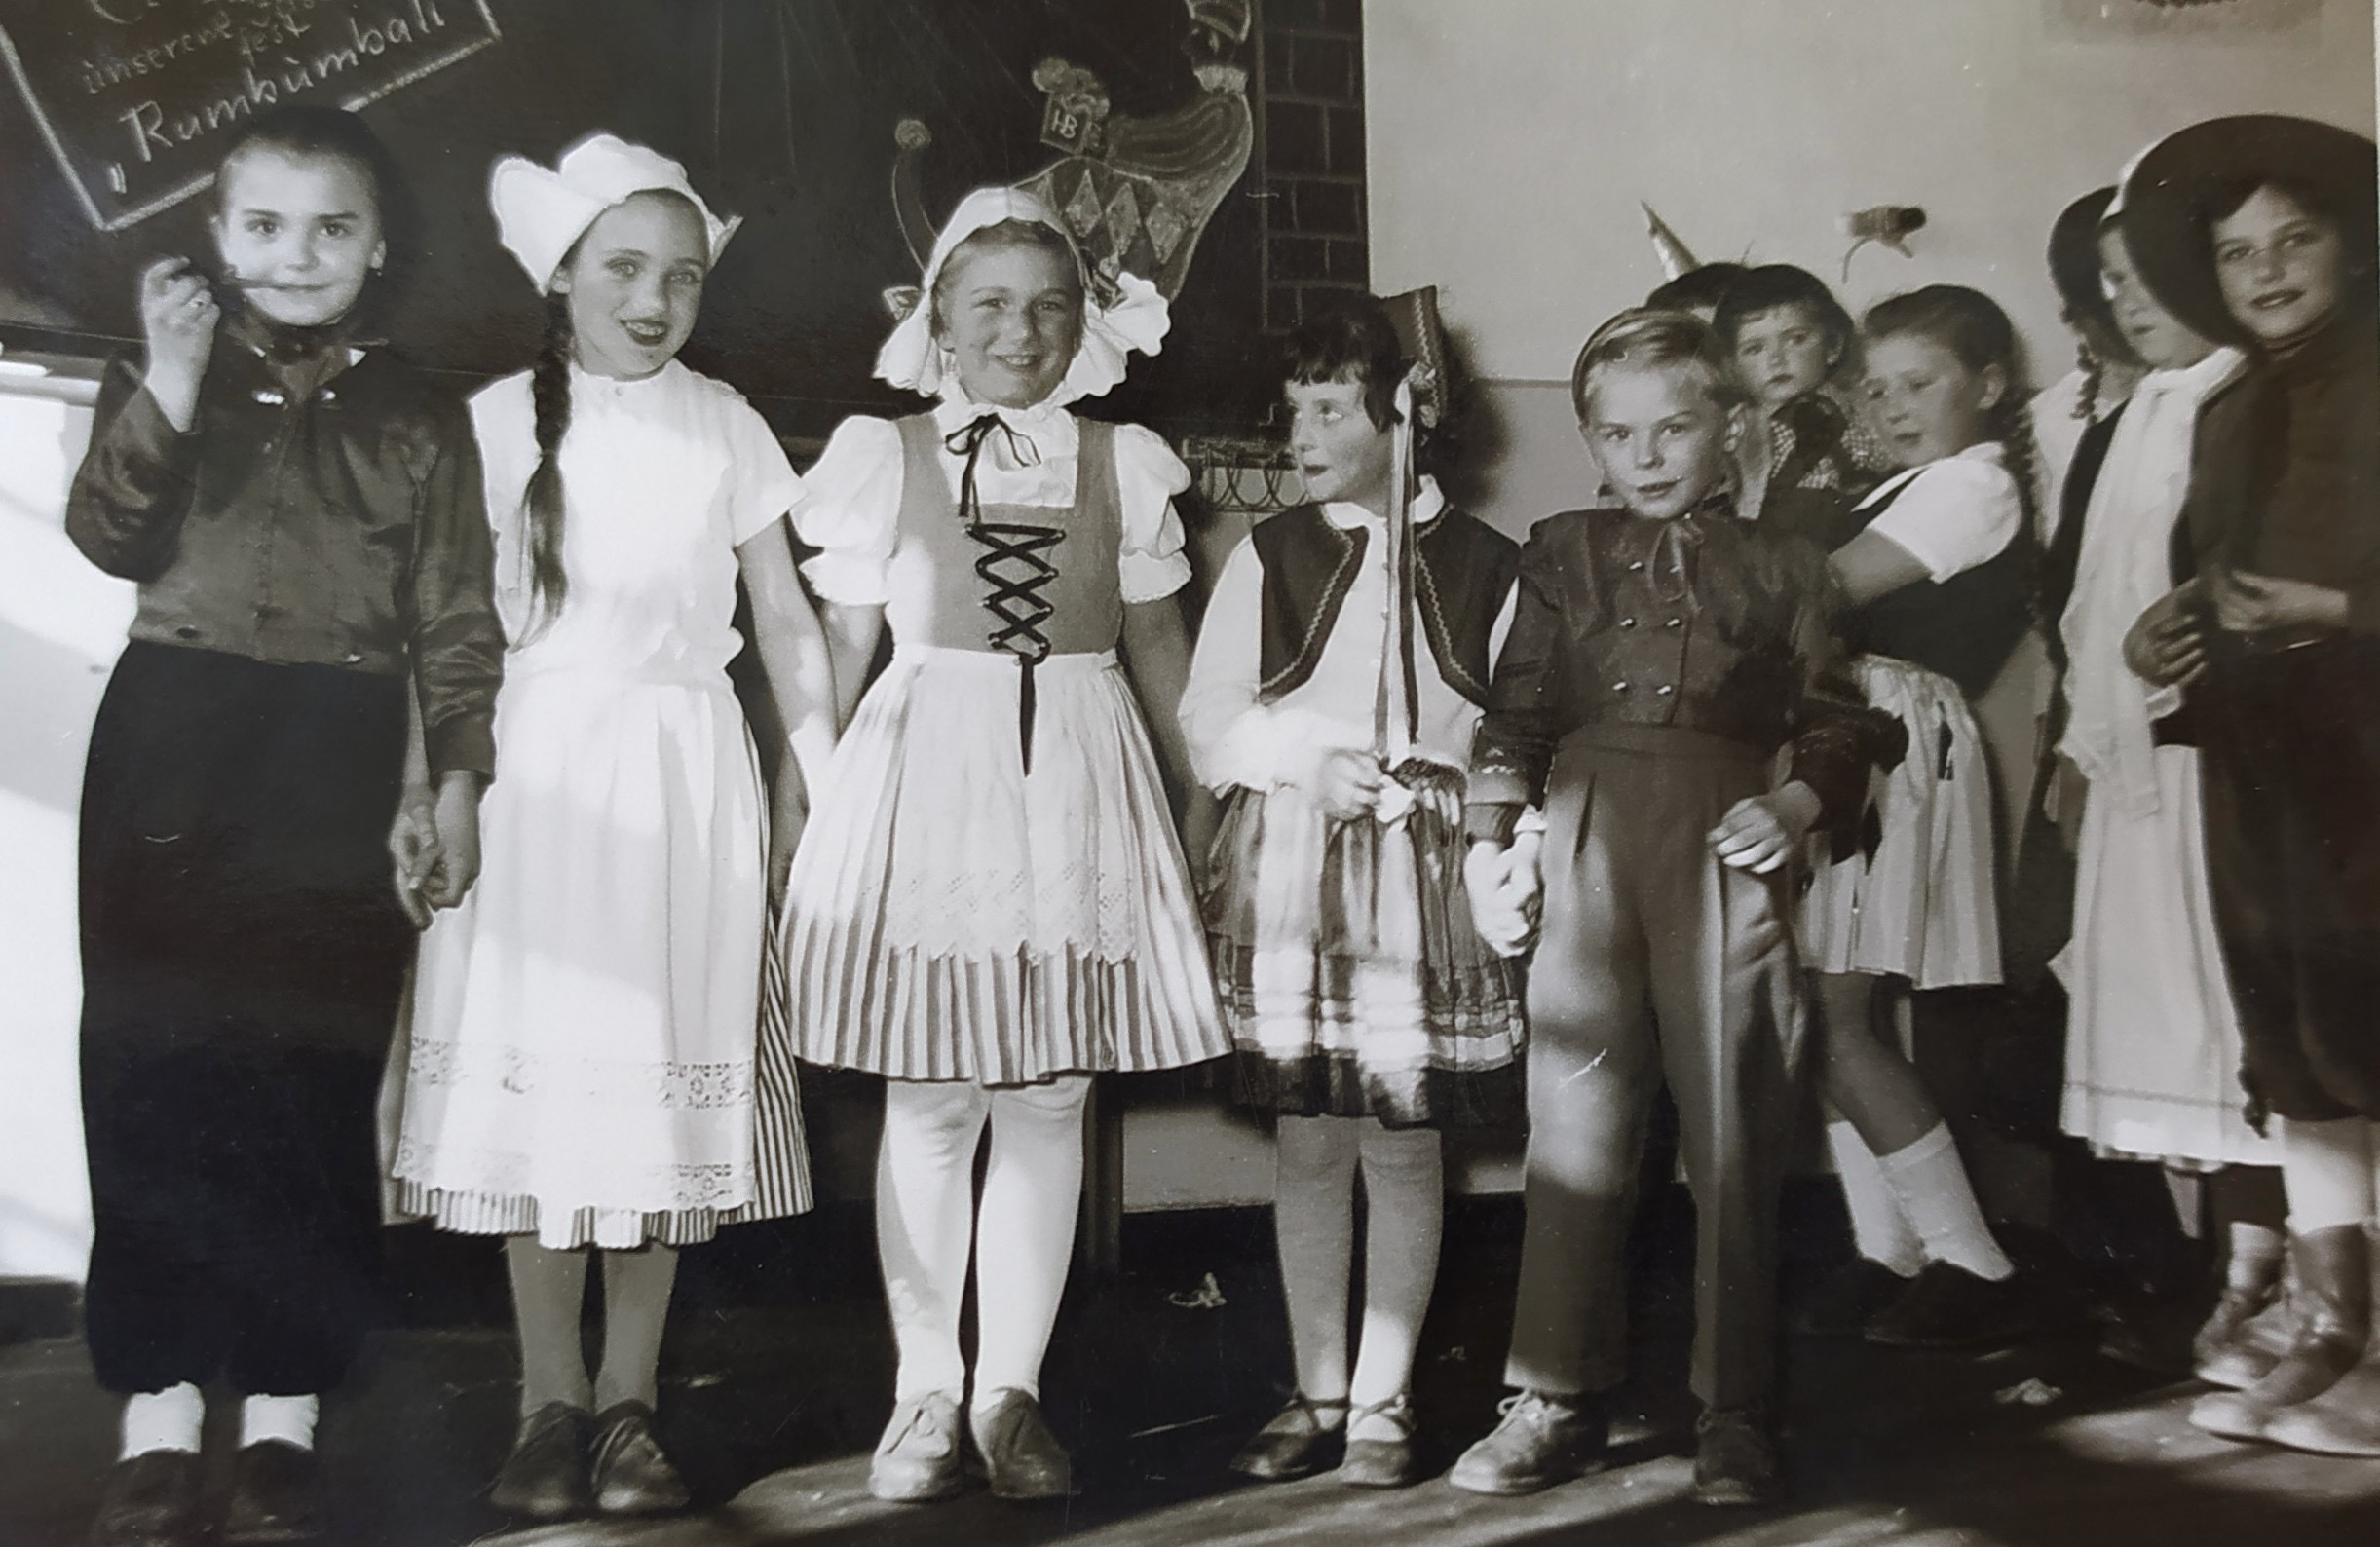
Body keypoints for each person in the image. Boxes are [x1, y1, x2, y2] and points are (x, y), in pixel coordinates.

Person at [64, 107, 504, 1547]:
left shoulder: (421, 414)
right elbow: (109, 535)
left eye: (331, 227)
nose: (297, 254)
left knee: (308, 1078)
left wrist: (452, 783)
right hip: (172, 738)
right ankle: (157, 1412)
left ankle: (282, 1412)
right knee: (151, 1066)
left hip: (336, 749)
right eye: (264, 224)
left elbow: (453, 620)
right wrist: (172, 378)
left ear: (377, 248)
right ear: (216, 236)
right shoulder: (162, 369)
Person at [387, 134, 837, 1521]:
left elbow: (783, 619)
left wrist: (812, 779)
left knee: (655, 1087)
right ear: (561, 275)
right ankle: (547, 1403)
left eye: (682, 276)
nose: (653, 300)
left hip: (681, 780)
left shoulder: (725, 424)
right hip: (529, 781)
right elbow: (443, 634)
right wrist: (427, 789)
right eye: (624, 269)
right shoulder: (490, 423)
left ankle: (630, 1402)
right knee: (544, 1088)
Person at [775, 186, 1229, 1503]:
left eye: (1047, 305)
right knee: (930, 1094)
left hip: (1079, 778)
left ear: (1083, 323)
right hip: (928, 779)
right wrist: (804, 803)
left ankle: (1007, 1393)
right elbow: (839, 648)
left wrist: (1204, 802)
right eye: (988, 305)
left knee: (1050, 1093)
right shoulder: (885, 452)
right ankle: (924, 1385)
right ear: (938, 320)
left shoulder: (1121, 461)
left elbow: (1160, 649)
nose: (1020, 331)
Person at [1447, 309, 1883, 1507]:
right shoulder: (1558, 549)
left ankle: (1734, 1408)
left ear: (1728, 427)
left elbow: (1841, 720)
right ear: (1590, 437)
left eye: (1673, 427)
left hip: (1722, 847)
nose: (1643, 455)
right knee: (1573, 1125)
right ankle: (1551, 1395)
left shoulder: (1791, 567)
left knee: (1735, 1124)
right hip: (1588, 840)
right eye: (1615, 432)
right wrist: (1491, 849)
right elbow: (1517, 714)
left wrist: (1795, 802)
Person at [1181, 292, 1523, 1490]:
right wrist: (1298, 758)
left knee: (1405, 1139)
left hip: (1421, 877)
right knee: (1312, 1138)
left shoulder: (1491, 567)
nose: (1301, 435)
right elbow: (1210, 715)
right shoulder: (1269, 555)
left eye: (1330, 408)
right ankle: (1315, 1385)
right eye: (1293, 411)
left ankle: (1384, 1400)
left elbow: (1512, 732)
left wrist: (1478, 813)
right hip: (1296, 861)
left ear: (1405, 412)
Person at [2118, 114, 2380, 1459]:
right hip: (2258, 756)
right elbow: (2202, 575)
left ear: (2352, 245)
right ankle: (2332, 1330)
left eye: (2294, 239)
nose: (2266, 270)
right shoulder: (2224, 408)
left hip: (2366, 756)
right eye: (2236, 252)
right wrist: (2155, 635)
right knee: (2292, 1039)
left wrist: (2336, 609)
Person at [2047, 186, 2285, 1382]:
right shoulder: (2132, 419)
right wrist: (2077, 747)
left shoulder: (2257, 398)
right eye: (2110, 282)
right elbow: (2087, 608)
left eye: (2146, 274)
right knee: (2192, 1034)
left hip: (2234, 768)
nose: (2125, 302)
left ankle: (2285, 1279)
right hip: (2147, 769)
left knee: (2248, 1025)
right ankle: (2240, 1273)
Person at [1794, 286, 2040, 1350]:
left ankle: (1974, 1262)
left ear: (1986, 385)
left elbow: (1818, 589)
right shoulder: (1903, 481)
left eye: (1919, 384)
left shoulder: (1972, 486)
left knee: (1838, 1015)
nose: (1892, 407)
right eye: (1876, 389)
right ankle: (1887, 1249)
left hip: (1889, 740)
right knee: (1825, 1013)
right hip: (1853, 730)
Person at [1714, 263, 1889, 531]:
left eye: (1795, 339)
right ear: (1733, 366)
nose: (1776, 359)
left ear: (1833, 346)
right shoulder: (1738, 429)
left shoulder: (1853, 412)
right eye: (1755, 348)